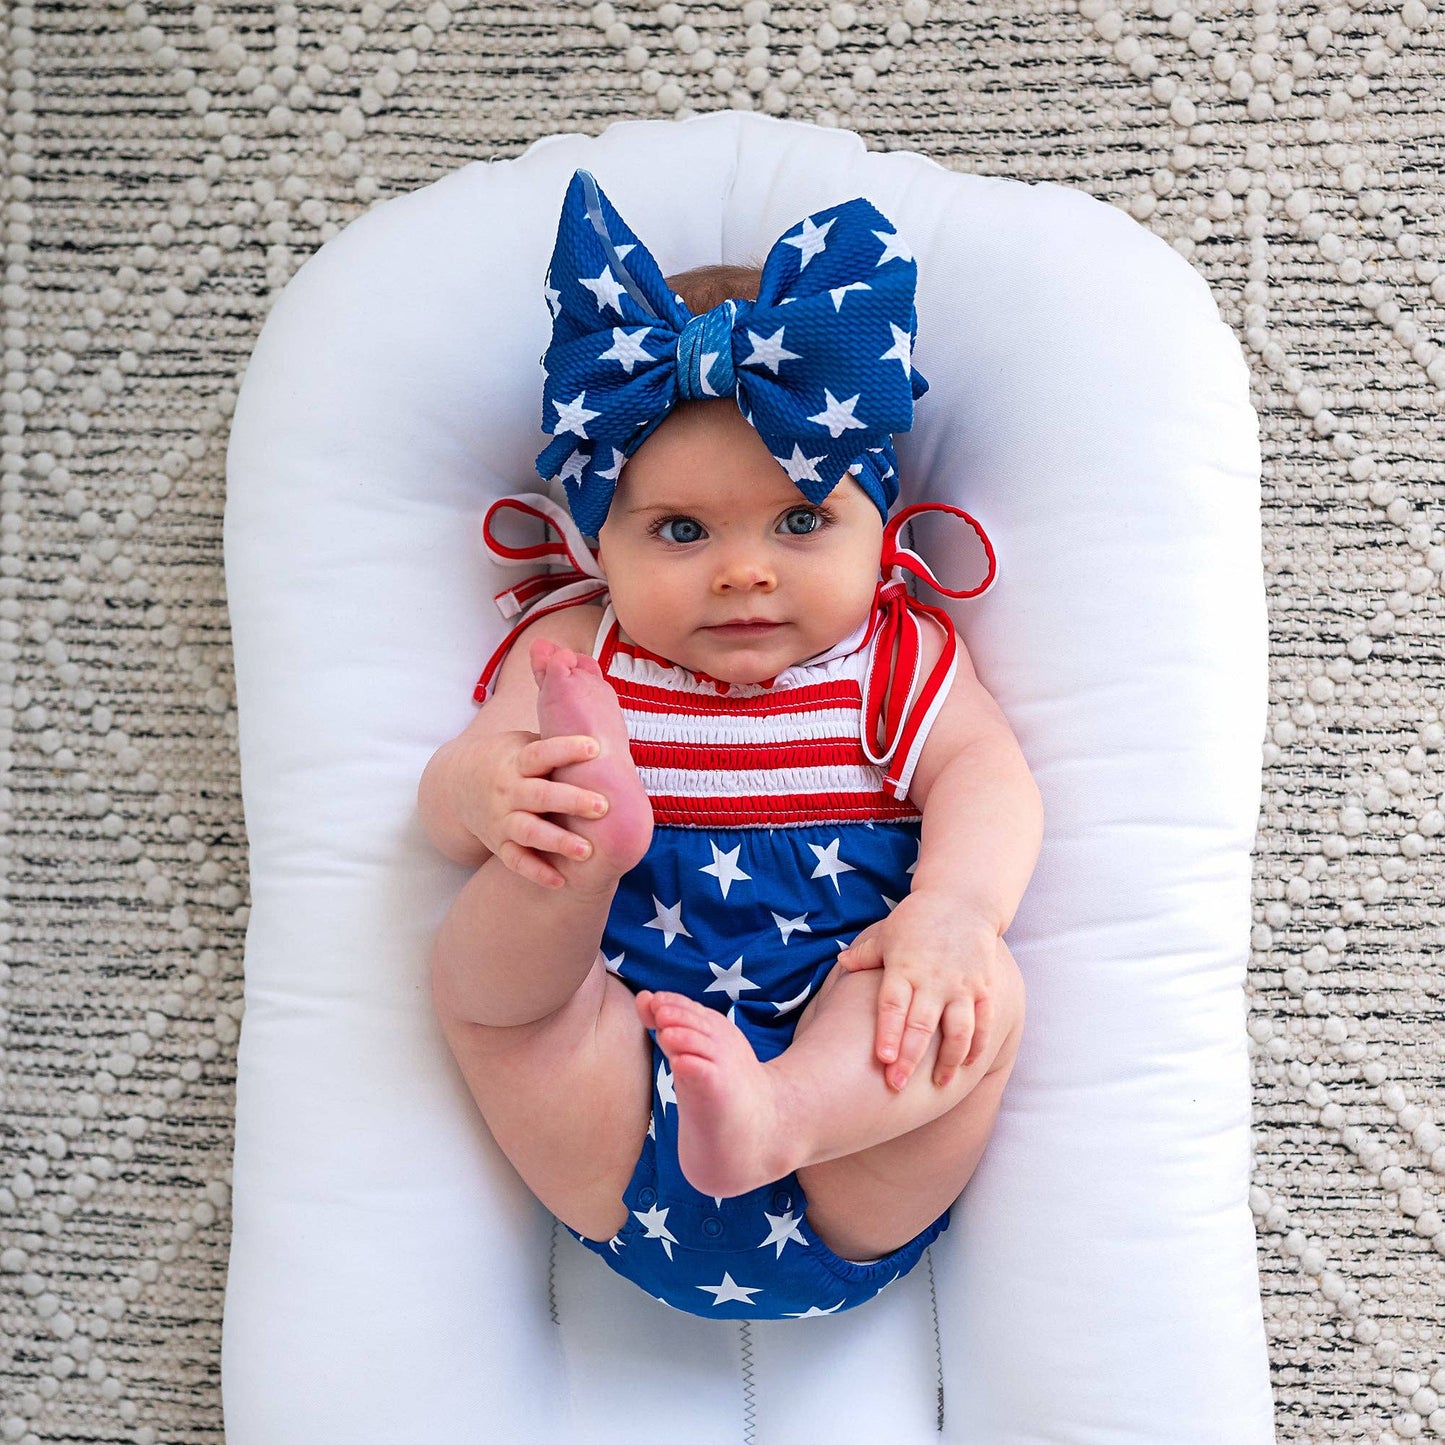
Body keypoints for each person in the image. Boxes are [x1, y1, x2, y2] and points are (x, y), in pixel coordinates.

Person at [417, 169, 1043, 1320]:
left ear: (881, 526)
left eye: (802, 521)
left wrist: (951, 912)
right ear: (599, 538)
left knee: (971, 993)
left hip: (851, 1139)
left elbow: (984, 775)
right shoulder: (578, 648)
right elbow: (443, 808)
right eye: (681, 529)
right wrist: (487, 790)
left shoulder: (892, 657)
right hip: (614, 1103)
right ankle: (597, 846)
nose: (743, 569)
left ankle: (784, 1105)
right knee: (482, 966)